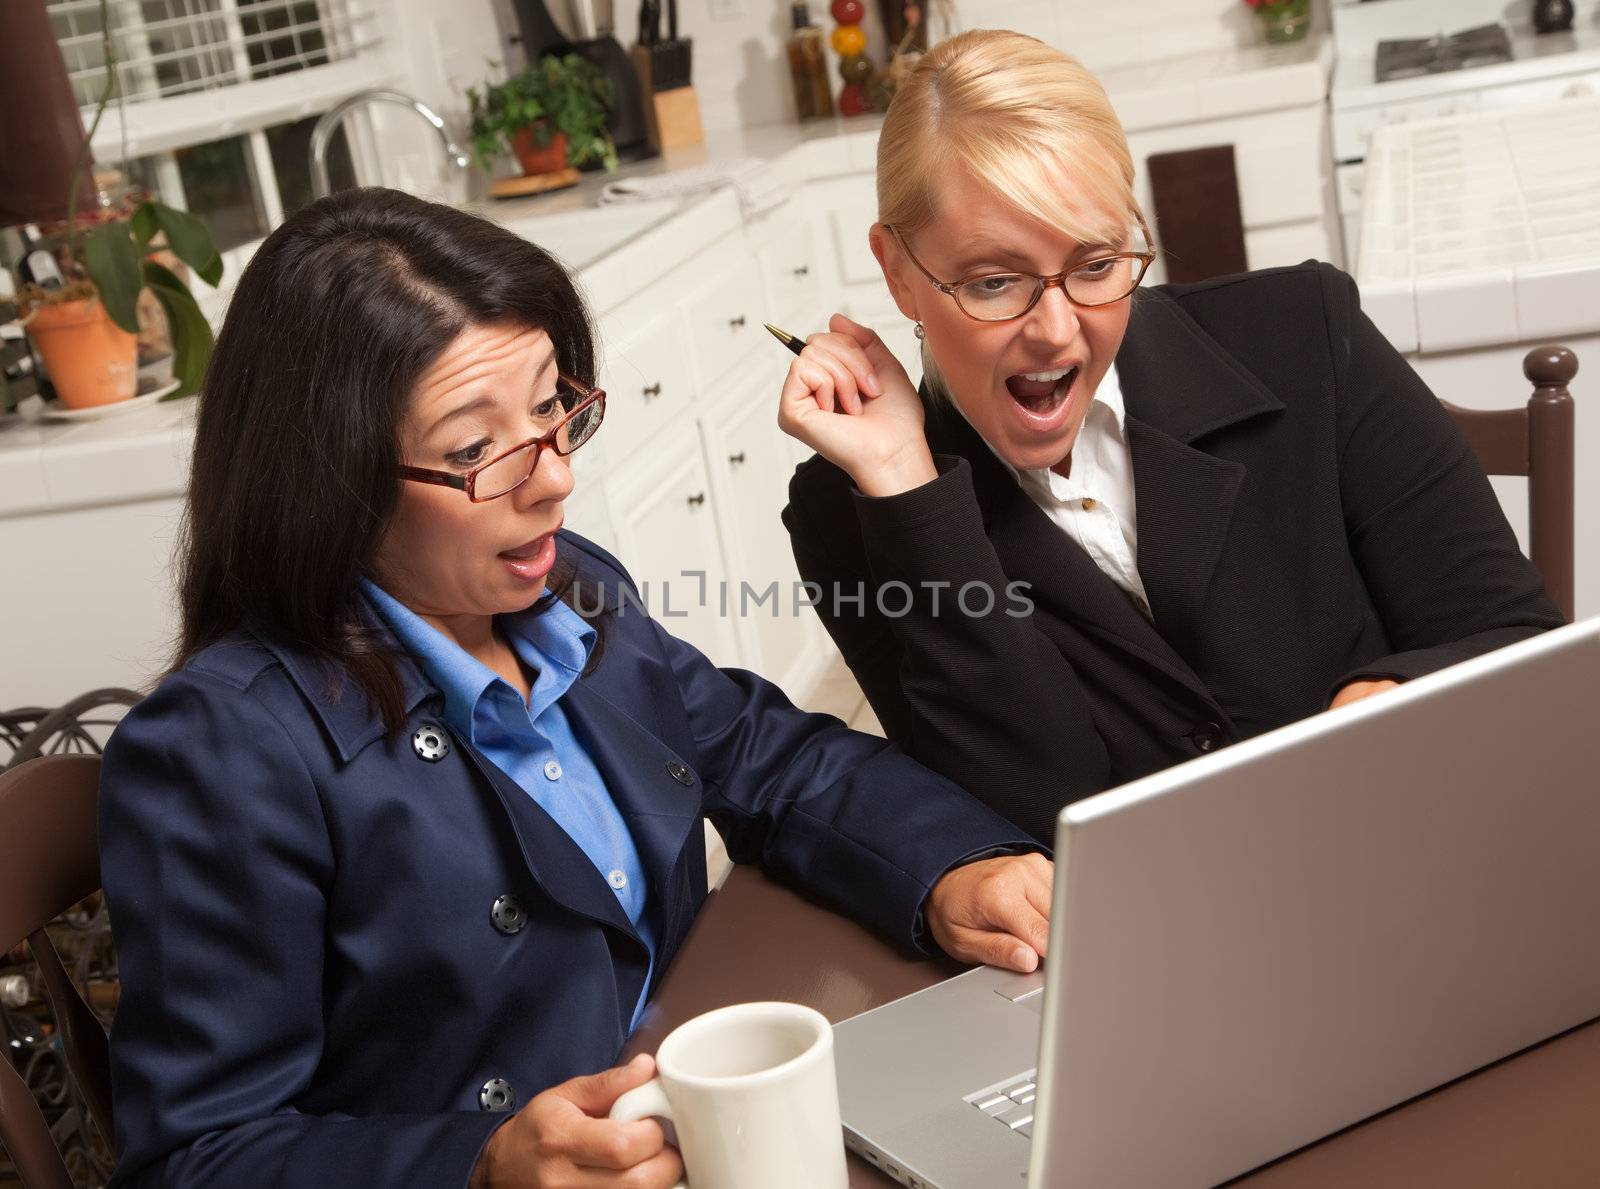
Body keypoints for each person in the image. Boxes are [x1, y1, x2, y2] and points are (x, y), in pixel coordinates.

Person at [97, 187, 1054, 1189]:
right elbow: (193, 1160)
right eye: (475, 450)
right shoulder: (221, 748)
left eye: (554, 408)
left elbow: (770, 756)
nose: (551, 477)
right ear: (327, 484)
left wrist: (956, 865)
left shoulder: (571, 594)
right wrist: (480, 1165)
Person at [778, 30, 1564, 845]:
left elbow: (1519, 646)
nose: (1056, 331)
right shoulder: (853, 515)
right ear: (899, 272)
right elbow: (1023, 830)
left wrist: (1390, 696)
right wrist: (912, 488)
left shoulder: (1305, 334)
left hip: (1415, 850)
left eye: (1095, 265)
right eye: (994, 281)